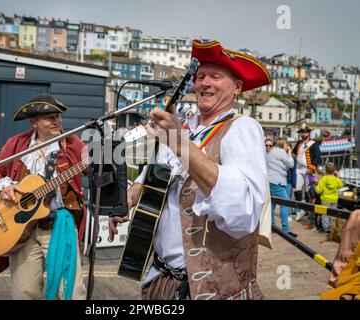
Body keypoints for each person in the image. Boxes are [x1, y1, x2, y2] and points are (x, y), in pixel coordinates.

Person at [110, 39, 271, 300]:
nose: (204, 83)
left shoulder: (243, 128)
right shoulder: (181, 127)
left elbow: (242, 210)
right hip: (160, 280)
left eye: (215, 77)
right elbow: (148, 182)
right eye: (200, 76)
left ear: (237, 88)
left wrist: (178, 142)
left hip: (212, 289)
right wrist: (126, 200)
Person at [0, 94, 87, 300]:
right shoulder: (17, 144)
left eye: (57, 116)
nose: (56, 121)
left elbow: (98, 168)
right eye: (49, 118)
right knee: (24, 293)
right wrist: (4, 186)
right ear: (34, 122)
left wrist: (107, 155)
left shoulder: (72, 143)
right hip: (21, 231)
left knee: (70, 293)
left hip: (59, 225)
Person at [267, 138, 297, 237]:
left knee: (272, 205)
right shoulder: (280, 152)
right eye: (286, 145)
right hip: (277, 182)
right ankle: (286, 230)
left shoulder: (272, 151)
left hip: (270, 181)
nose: (287, 146)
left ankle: (272, 227)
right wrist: (289, 152)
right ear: (282, 144)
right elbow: (291, 164)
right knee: (285, 204)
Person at [293, 124, 321, 221]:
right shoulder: (299, 143)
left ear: (308, 133)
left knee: (309, 190)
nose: (303, 134)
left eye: (305, 132)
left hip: (309, 170)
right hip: (298, 168)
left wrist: (312, 168)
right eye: (302, 132)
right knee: (297, 189)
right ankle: (299, 209)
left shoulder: (314, 144)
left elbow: (317, 157)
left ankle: (309, 211)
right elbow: (293, 153)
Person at [315, 162, 343, 233]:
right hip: (334, 199)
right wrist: (337, 177)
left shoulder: (323, 179)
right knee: (333, 214)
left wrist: (316, 187)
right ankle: (332, 227)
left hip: (325, 199)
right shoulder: (336, 179)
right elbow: (340, 186)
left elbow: (318, 191)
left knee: (325, 215)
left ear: (325, 170)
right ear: (334, 171)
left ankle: (326, 228)